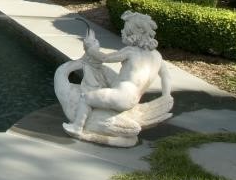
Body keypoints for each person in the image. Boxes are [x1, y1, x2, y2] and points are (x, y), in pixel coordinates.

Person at [62, 11, 170, 140]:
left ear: (135, 33)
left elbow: (105, 58)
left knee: (86, 98)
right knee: (104, 77)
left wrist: (91, 49)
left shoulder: (130, 51)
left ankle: (77, 127)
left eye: (126, 30)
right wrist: (166, 95)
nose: (123, 32)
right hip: (133, 99)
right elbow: (166, 76)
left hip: (120, 96)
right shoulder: (157, 56)